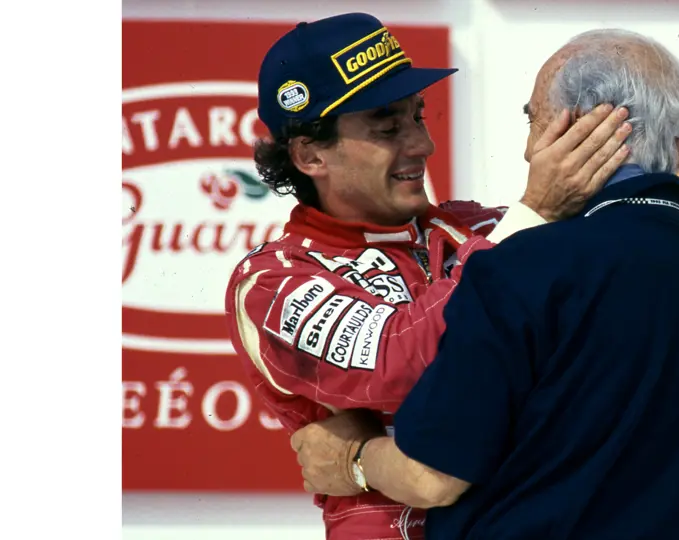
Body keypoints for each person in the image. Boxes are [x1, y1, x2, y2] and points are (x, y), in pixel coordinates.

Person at [290, 28, 679, 540]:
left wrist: (352, 459)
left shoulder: (522, 265)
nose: (527, 150)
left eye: (532, 119)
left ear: (580, 129)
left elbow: (430, 477)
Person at [223, 12, 633, 540]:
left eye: (417, 117)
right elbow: (402, 362)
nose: (422, 145)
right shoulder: (274, 283)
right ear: (310, 154)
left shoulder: (483, 229)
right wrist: (535, 216)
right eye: (388, 127)